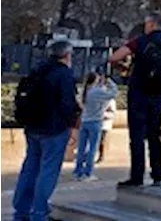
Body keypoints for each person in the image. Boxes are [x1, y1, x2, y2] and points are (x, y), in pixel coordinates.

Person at [109, 11, 161, 187]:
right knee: (155, 137)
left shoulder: (140, 41)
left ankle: (137, 176)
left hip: (139, 94)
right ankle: (157, 175)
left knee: (137, 138)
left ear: (151, 25)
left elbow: (114, 57)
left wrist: (124, 68)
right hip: (159, 96)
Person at [12, 41, 79, 221]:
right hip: (54, 128)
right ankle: (39, 212)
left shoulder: (38, 70)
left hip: (33, 126)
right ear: (67, 55)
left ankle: (21, 211)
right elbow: (68, 104)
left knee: (30, 168)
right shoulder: (64, 74)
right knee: (48, 170)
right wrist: (72, 125)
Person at [74, 71, 118, 181]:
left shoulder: (84, 92)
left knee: (81, 147)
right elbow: (113, 93)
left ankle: (78, 171)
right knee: (92, 148)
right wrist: (109, 81)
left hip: (84, 121)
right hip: (95, 121)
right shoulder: (97, 92)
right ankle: (88, 173)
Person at [98, 93, 117, 165]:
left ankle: (101, 156)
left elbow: (113, 113)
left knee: (101, 140)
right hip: (96, 121)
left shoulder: (111, 101)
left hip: (105, 123)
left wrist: (103, 114)